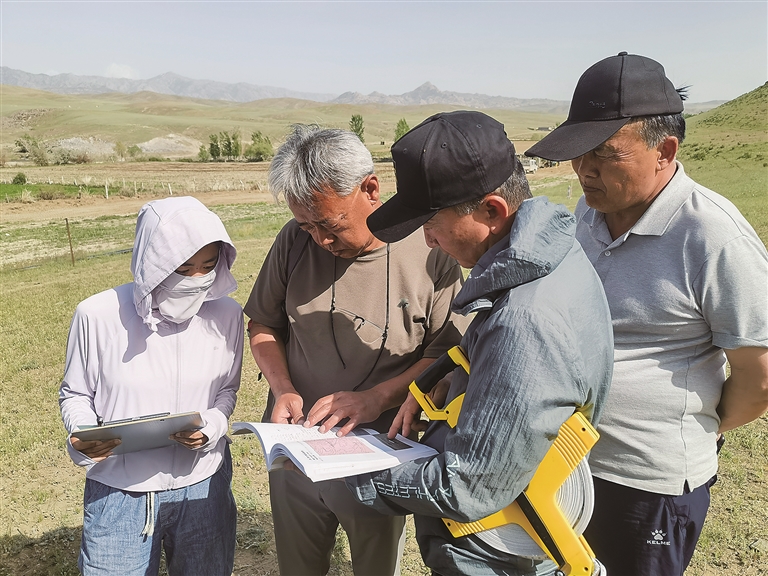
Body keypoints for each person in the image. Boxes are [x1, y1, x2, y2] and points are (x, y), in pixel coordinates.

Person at [525, 52, 768, 575]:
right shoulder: (589, 212)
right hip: (568, 465)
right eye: (579, 152)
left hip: (649, 485)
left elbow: (760, 376)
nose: (584, 169)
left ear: (665, 151)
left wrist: (698, 428)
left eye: (605, 154)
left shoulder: (712, 236)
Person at [344, 110, 614, 576]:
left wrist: (357, 475)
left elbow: (468, 487)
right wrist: (451, 375)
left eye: (432, 222)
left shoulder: (524, 321)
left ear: (492, 211)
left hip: (494, 550)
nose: (428, 240)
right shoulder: (549, 253)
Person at [244, 125, 469, 575]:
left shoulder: (431, 248)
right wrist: (283, 388)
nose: (320, 241)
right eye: (307, 226)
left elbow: (444, 356)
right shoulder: (293, 241)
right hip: (297, 447)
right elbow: (263, 324)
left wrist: (377, 399)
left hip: (382, 453)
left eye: (330, 225)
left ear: (370, 189)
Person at [60, 196, 242, 576]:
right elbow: (76, 393)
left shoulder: (227, 315)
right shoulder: (97, 315)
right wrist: (84, 434)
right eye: (183, 268)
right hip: (120, 494)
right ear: (151, 262)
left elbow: (227, 390)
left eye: (208, 266)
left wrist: (213, 426)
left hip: (204, 488)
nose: (196, 279)